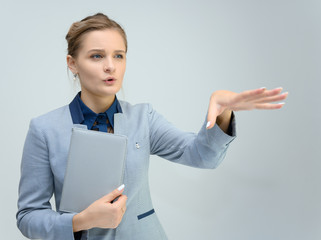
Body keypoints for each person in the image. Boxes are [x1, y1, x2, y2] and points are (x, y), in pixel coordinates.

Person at [16, 12, 288, 240]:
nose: (110, 66)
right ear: (72, 64)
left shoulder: (144, 118)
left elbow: (202, 156)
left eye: (119, 56)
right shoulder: (44, 129)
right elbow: (28, 216)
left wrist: (223, 112)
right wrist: (79, 221)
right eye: (97, 56)